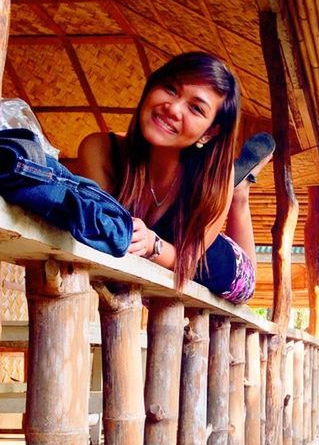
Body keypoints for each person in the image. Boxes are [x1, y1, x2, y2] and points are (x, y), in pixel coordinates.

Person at [76, 51, 274, 304]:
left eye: (195, 108)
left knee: (244, 288)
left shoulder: (211, 180)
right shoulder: (100, 150)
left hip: (200, 253)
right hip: (174, 233)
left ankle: (239, 192)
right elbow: (105, 233)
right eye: (170, 89)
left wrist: (152, 245)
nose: (173, 108)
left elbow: (188, 261)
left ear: (209, 133)